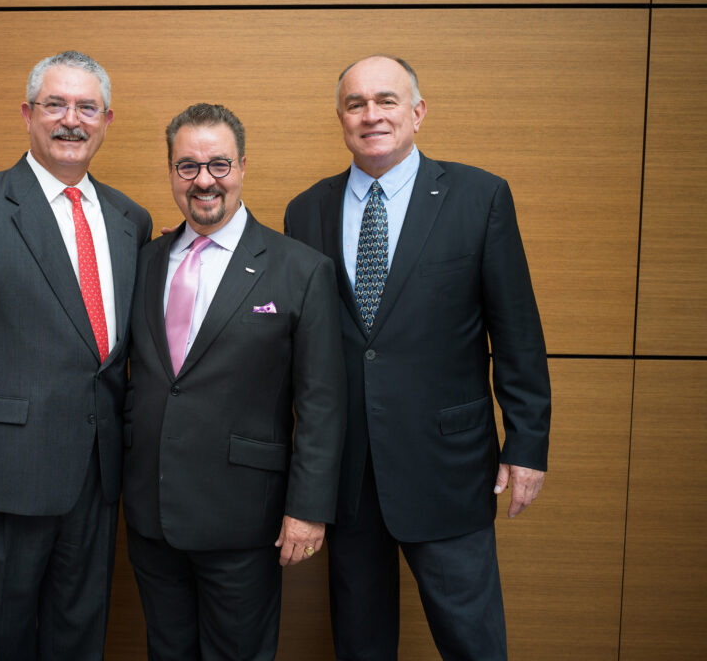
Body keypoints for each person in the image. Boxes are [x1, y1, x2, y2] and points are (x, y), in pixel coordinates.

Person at [284, 55, 551, 660]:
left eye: (386, 100)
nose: (371, 115)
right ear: (340, 118)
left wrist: (528, 443)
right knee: (360, 643)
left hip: (448, 467)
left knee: (473, 642)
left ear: (418, 112)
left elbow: (518, 333)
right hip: (349, 476)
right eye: (356, 104)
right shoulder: (307, 211)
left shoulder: (479, 197)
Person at [0, 50, 152, 660]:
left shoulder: (130, 219)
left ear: (107, 120)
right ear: (27, 114)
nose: (72, 120)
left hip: (97, 482)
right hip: (1, 480)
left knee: (79, 641)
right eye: (56, 104)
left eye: (86, 107)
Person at [123, 103, 347, 661]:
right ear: (171, 171)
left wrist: (309, 507)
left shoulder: (300, 269)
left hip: (244, 520)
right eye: (188, 166)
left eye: (219, 164)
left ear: (243, 167)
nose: (204, 180)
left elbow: (322, 402)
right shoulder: (144, 262)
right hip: (151, 514)